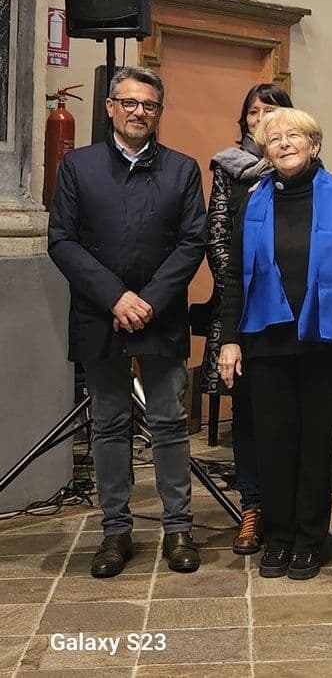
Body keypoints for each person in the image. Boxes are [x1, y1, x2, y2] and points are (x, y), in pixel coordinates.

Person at [48, 66, 207, 578]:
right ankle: (115, 531)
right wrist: (117, 297)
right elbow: (62, 241)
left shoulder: (182, 170)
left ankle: (178, 528)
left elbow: (192, 243)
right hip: (101, 316)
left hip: (159, 318)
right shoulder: (79, 167)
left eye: (151, 105)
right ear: (111, 107)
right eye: (131, 103)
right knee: (110, 426)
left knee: (169, 423)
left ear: (160, 112)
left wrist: (150, 301)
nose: (141, 112)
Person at [218, 108, 332, 581]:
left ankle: (311, 539)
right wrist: (230, 341)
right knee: (274, 443)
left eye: (294, 135)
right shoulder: (251, 199)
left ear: (314, 144)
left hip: (321, 341)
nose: (283, 143)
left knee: (315, 445)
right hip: (266, 341)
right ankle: (277, 536)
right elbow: (233, 273)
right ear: (265, 150)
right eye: (273, 139)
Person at [200, 83, 293, 555]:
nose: (260, 118)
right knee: (250, 416)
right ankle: (253, 508)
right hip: (243, 314)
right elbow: (217, 239)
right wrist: (250, 294)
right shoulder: (229, 170)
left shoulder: (302, 169)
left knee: (288, 415)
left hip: (292, 319)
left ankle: (289, 508)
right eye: (253, 112)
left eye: (271, 110)